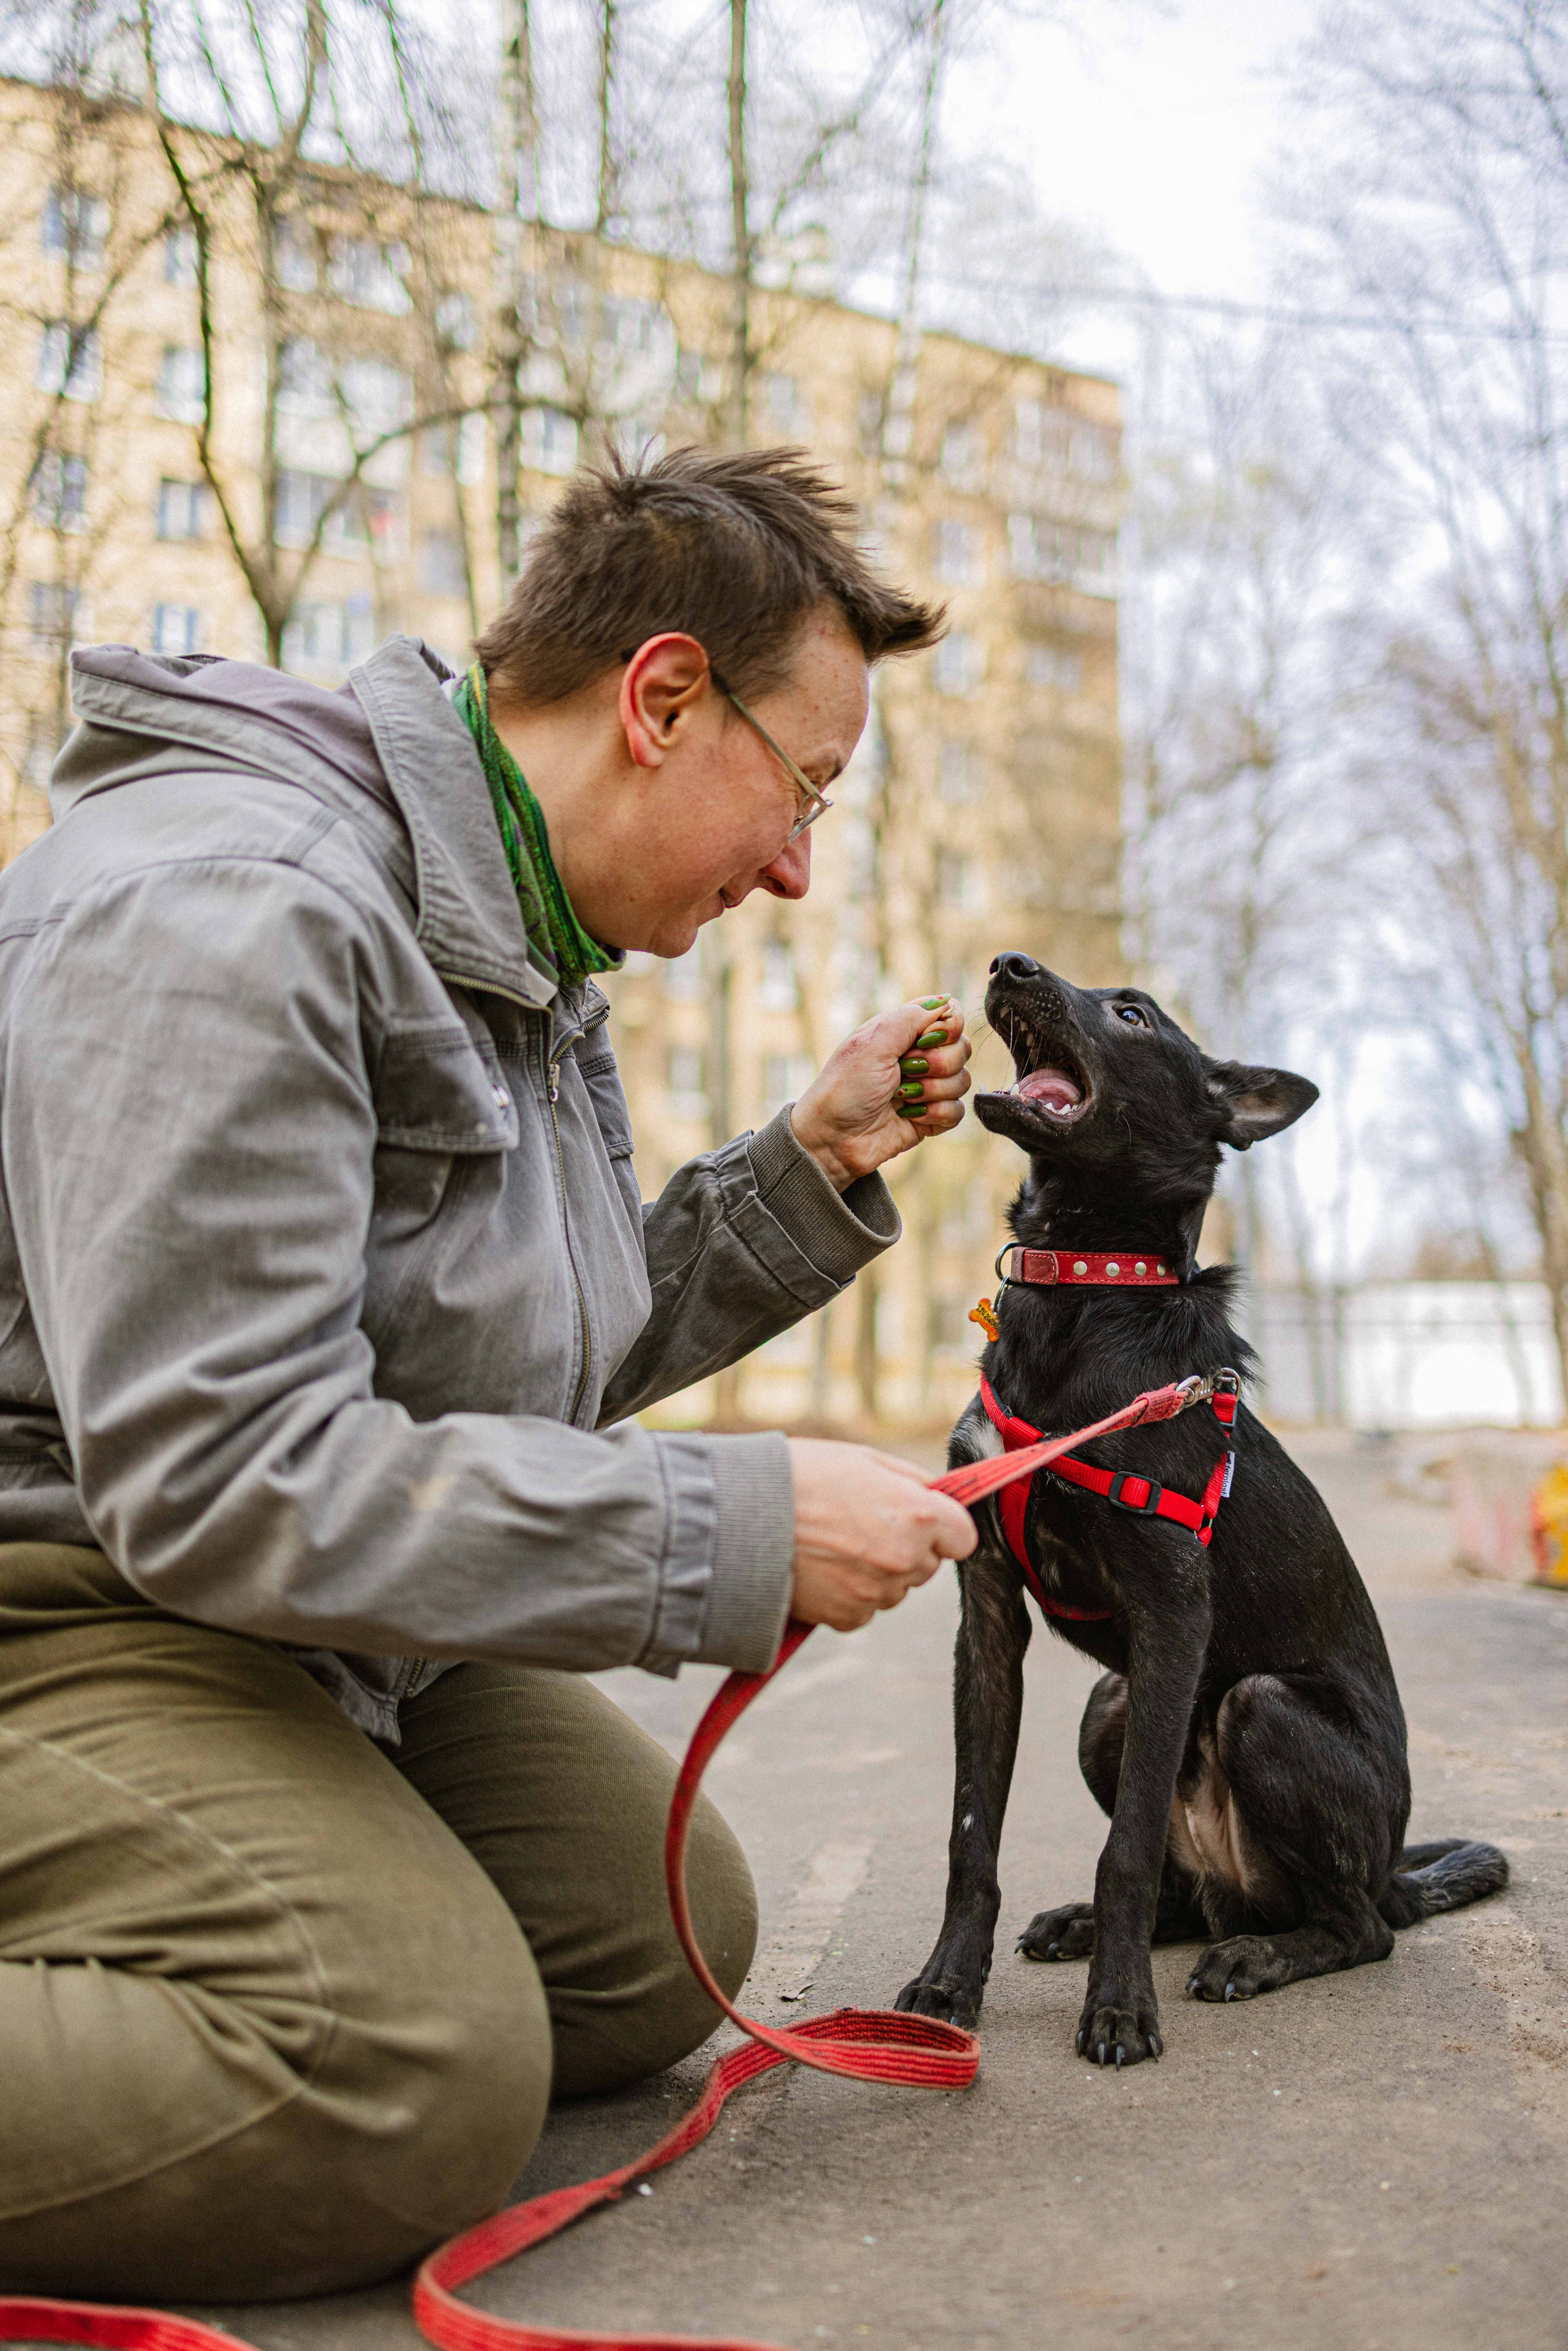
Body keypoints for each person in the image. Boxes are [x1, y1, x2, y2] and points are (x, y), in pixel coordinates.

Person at [0, 446, 978, 2301]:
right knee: (400, 2064)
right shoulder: (236, 910)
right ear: (664, 698)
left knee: (646, 1937)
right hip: (66, 1595)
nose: (792, 866)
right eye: (808, 791)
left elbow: (494, 1379)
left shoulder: (508, 942)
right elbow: (219, 1472)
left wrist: (803, 1175)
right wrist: (738, 1526)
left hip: (255, 1607)